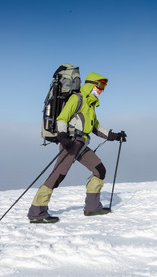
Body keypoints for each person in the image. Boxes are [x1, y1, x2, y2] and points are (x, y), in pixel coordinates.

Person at [27, 72, 127, 223]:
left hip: (81, 144)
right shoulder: (77, 99)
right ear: (90, 85)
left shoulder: (91, 105)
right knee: (57, 176)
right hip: (71, 143)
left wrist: (114, 135)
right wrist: (62, 136)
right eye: (100, 85)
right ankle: (37, 212)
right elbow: (62, 118)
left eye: (104, 87)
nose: (102, 90)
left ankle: (92, 207)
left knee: (100, 170)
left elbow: (96, 127)